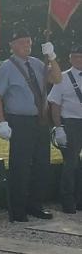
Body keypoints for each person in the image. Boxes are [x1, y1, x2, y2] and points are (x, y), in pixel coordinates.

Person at [0, 25, 62, 221]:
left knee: (41, 164)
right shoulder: (7, 66)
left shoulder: (38, 63)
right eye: (21, 43)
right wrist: (1, 122)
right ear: (12, 45)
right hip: (20, 121)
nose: (26, 45)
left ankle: (35, 204)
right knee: (21, 166)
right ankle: (18, 208)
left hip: (40, 120)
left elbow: (57, 78)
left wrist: (53, 57)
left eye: (28, 42)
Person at [47, 42, 82, 213]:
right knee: (71, 163)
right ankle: (68, 200)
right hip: (71, 123)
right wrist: (58, 127)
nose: (79, 60)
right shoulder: (62, 77)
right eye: (75, 57)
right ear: (70, 59)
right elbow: (55, 105)